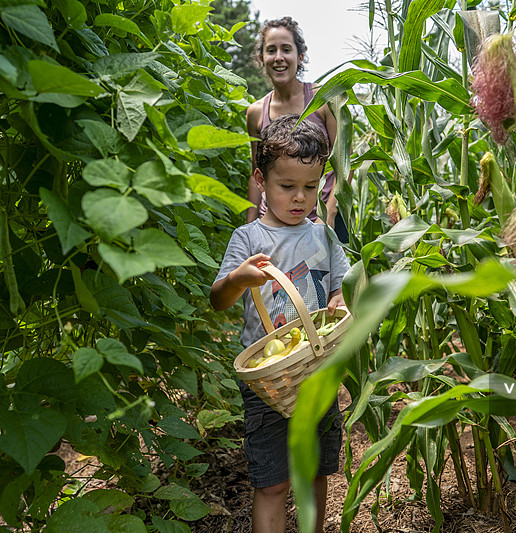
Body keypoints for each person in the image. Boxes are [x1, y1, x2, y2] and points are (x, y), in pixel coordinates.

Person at [210, 114, 349, 533]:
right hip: (269, 384)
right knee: (272, 483)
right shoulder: (249, 239)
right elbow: (218, 300)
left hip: (317, 370)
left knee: (315, 473)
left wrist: (341, 301)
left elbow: (343, 285)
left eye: (310, 188)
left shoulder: (323, 235)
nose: (299, 199)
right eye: (287, 186)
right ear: (260, 179)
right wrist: (238, 278)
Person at [245, 16, 349, 243]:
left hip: (322, 221)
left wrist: (328, 216)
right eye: (271, 50)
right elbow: (256, 174)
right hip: (273, 227)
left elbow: (345, 164)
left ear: (299, 57)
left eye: (286, 49)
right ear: (261, 58)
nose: (279, 57)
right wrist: (250, 225)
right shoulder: (255, 112)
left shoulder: (323, 99)